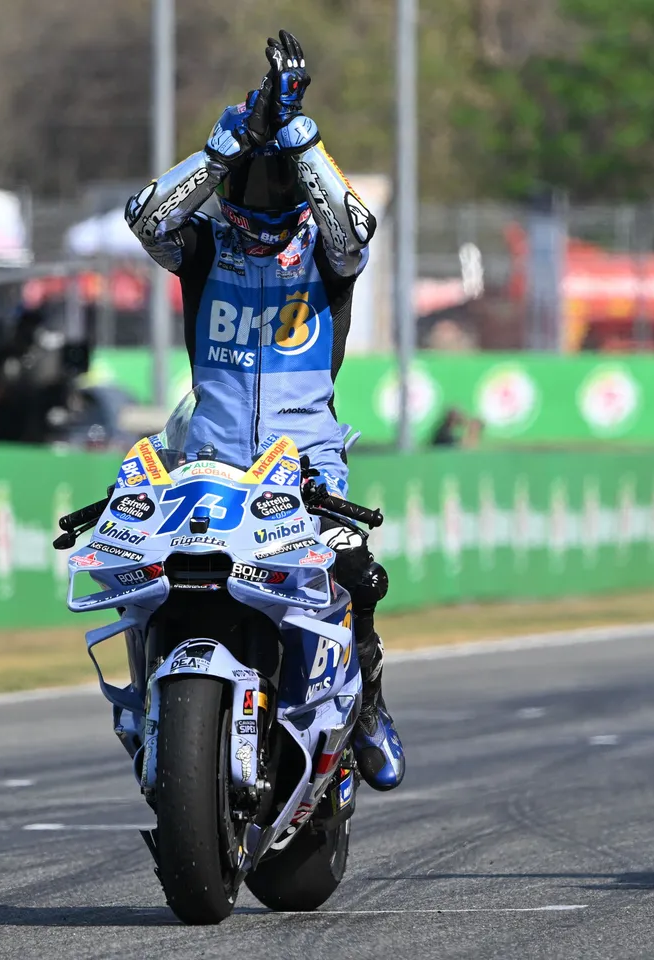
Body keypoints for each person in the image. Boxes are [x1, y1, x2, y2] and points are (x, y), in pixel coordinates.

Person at [124, 31, 405, 790]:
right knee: (152, 577)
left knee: (356, 573)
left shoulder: (325, 253)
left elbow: (358, 231)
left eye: (280, 183)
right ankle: (151, 708)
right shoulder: (206, 247)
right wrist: (226, 145)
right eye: (253, 181)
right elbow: (145, 218)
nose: (265, 197)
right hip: (208, 463)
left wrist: (297, 134)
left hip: (308, 464)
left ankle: (368, 701)